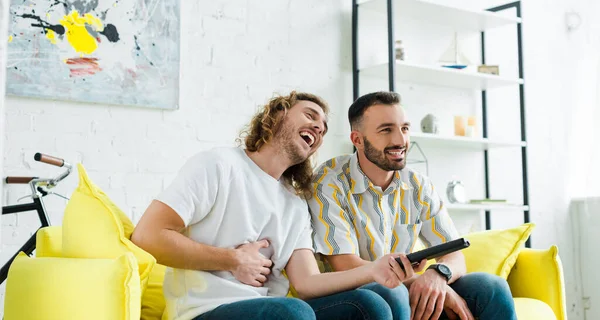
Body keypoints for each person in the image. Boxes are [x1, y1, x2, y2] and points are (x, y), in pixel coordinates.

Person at [131, 91, 426, 320]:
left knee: (369, 303)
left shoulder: (295, 204)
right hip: (205, 310)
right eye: (309, 115)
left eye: (322, 129)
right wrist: (232, 260)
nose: (318, 128)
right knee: (293, 313)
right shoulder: (219, 165)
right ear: (277, 114)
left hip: (271, 309)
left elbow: (308, 282)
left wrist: (375, 270)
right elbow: (147, 235)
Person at [308, 91, 518, 320]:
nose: (400, 140)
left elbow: (454, 255)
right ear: (357, 140)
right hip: (351, 295)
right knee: (392, 291)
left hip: (402, 286)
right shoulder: (328, 182)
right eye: (386, 130)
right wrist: (424, 282)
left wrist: (438, 275)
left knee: (490, 287)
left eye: (405, 128)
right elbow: (346, 265)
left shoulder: (418, 185)